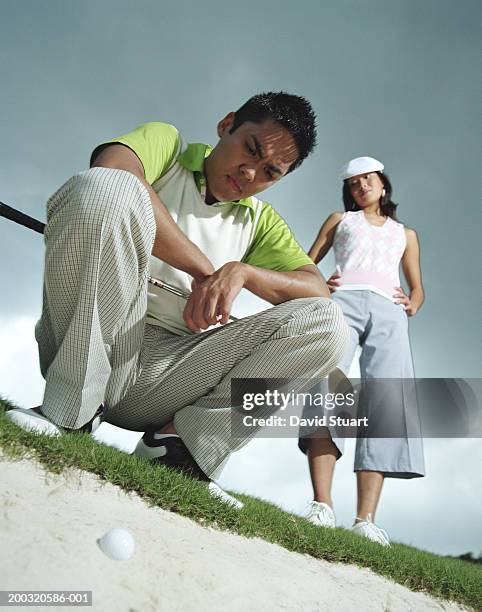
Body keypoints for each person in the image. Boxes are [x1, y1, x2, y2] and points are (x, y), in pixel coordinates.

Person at [7, 92, 349, 505]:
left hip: (171, 378)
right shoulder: (167, 145)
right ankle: (69, 410)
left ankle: (178, 450)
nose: (249, 171)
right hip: (95, 343)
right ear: (227, 125)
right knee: (106, 187)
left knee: (328, 324)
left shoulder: (260, 221)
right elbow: (115, 168)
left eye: (269, 171)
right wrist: (206, 270)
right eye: (250, 149)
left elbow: (314, 288)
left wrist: (242, 271)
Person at [299, 156, 425, 545]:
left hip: (389, 312)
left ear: (383, 185)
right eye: (354, 183)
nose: (361, 186)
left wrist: (413, 302)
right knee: (326, 387)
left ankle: (365, 520)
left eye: (368, 179)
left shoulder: (406, 233)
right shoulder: (341, 220)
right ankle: (322, 505)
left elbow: (417, 286)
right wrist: (321, 283)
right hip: (343, 303)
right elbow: (305, 261)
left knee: (387, 399)